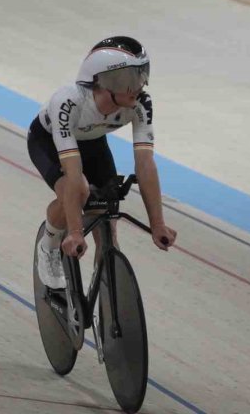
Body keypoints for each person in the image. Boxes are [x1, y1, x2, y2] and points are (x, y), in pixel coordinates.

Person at [27, 36, 177, 289]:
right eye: (128, 79)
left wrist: (158, 224)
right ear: (103, 82)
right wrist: (74, 231)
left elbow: (145, 165)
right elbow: (74, 174)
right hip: (50, 142)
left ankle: (107, 292)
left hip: (93, 143)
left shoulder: (141, 104)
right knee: (78, 191)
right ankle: (49, 245)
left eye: (141, 75)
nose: (138, 86)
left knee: (106, 216)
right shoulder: (68, 100)